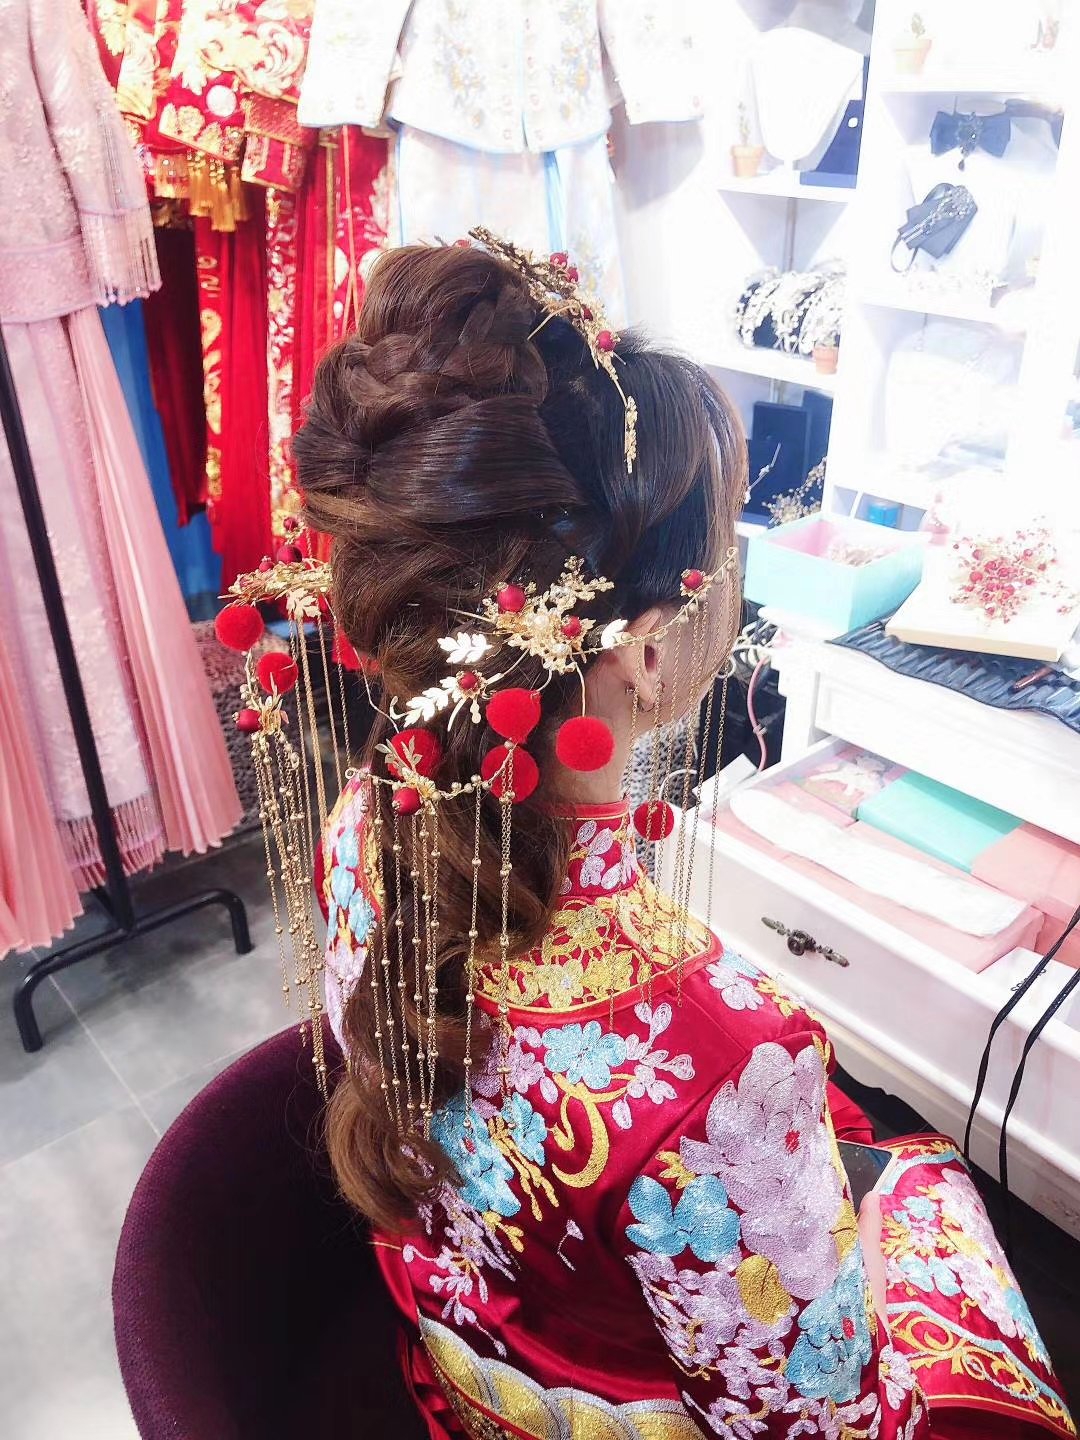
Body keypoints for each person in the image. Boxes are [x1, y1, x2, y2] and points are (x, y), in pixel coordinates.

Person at [297, 242, 1073, 1440]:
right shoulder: (721, 1059)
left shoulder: (366, 821)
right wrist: (902, 1224)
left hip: (458, 1352)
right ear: (648, 648)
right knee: (929, 1185)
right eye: (731, 552)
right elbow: (817, 1426)